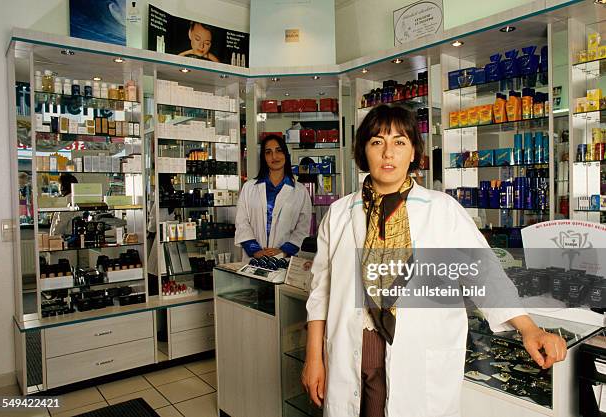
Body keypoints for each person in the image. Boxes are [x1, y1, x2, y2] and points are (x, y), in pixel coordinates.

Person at [302, 105, 567, 417]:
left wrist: (529, 329)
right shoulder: (339, 213)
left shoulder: (442, 210)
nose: (388, 153)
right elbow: (322, 291)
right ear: (363, 151)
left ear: (414, 151)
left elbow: (484, 275)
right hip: (353, 348)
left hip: (416, 352)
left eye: (399, 142)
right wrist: (314, 358)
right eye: (377, 142)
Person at [235, 135, 312, 262]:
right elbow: (241, 222)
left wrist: (283, 251)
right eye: (268, 152)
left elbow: (303, 227)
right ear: (264, 158)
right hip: (254, 260)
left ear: (286, 154)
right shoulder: (249, 188)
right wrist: (255, 250)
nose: (274, 157)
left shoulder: (300, 191)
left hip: (284, 260)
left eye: (279, 151)